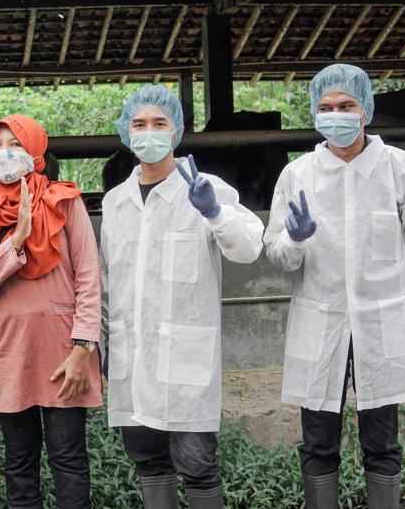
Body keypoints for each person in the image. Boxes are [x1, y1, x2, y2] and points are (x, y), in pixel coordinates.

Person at [263, 64, 405, 508]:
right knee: (318, 443)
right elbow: (278, 255)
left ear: (366, 110)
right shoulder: (298, 175)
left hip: (384, 324)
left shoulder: (401, 169)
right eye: (326, 107)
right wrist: (296, 238)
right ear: (313, 113)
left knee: (382, 442)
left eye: (346, 105)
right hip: (320, 324)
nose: (336, 114)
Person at [101, 85, 264, 508]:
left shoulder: (208, 189)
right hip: (130, 355)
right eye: (139, 124)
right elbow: (107, 280)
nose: (148, 132)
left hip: (185, 361)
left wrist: (214, 213)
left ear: (176, 131)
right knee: (148, 462)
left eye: (159, 123)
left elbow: (248, 249)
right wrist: (100, 341)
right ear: (125, 132)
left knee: (197, 464)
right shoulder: (115, 203)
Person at [0, 114, 102, 509]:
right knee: (19, 464)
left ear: (36, 151)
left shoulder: (64, 200)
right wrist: (15, 242)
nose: (4, 153)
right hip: (8, 351)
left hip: (64, 351)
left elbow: (89, 276)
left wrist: (83, 348)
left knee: (68, 459)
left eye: (16, 144)